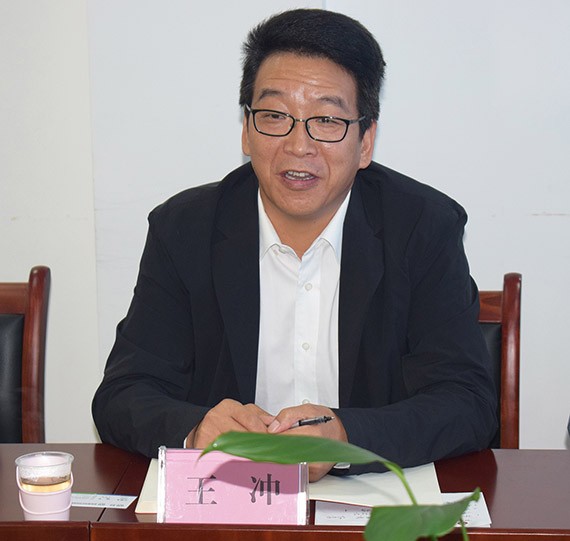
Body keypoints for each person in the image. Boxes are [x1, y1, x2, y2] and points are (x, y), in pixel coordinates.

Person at [92, 8, 497, 481]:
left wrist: (346, 438)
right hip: (231, 503)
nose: (298, 145)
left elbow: (468, 402)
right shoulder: (185, 229)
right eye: (274, 116)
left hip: (373, 502)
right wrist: (196, 430)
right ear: (246, 130)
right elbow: (123, 395)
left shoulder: (422, 227)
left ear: (365, 141)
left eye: (326, 120)